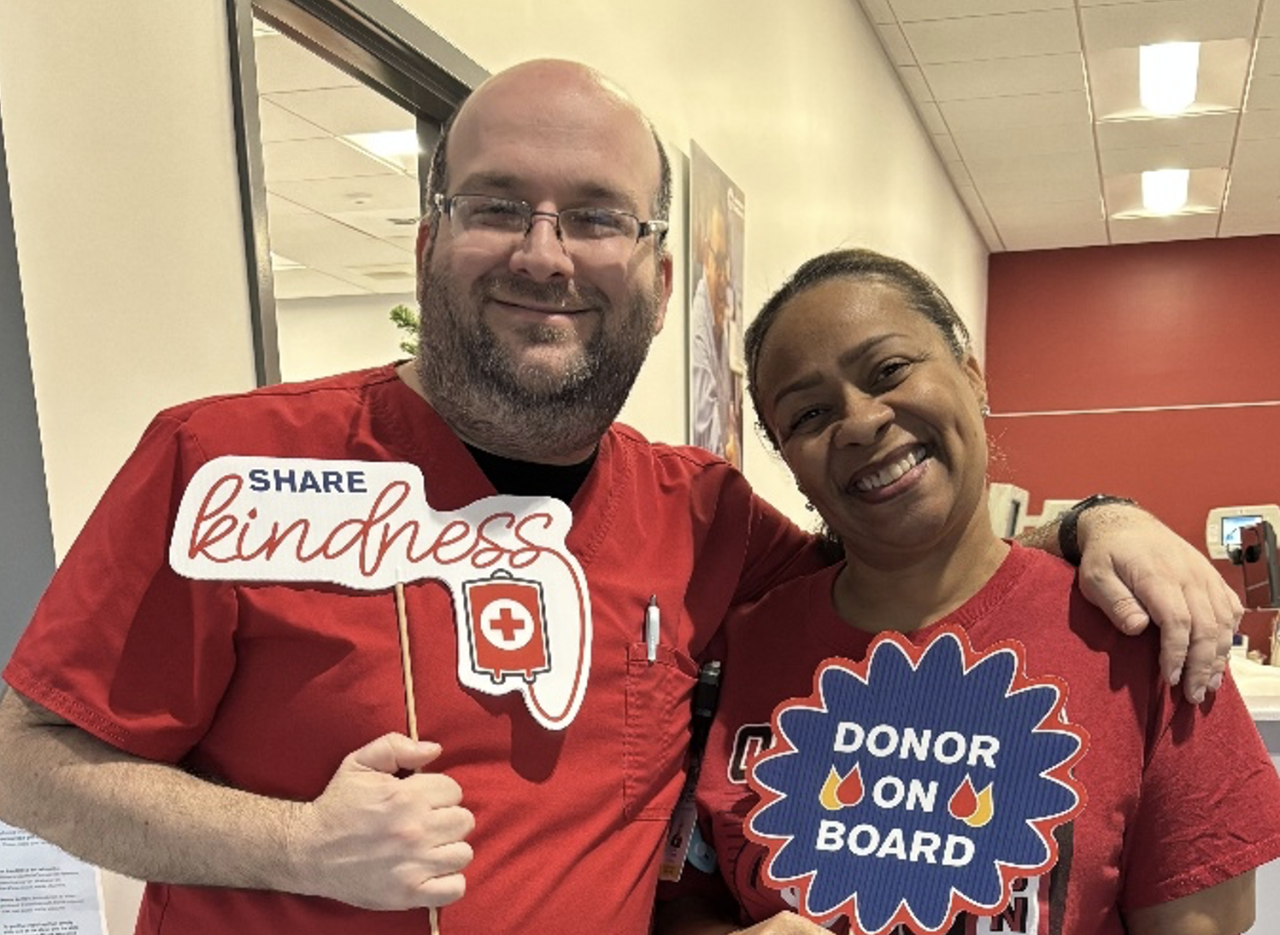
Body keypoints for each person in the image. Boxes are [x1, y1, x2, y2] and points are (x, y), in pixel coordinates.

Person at [0, 60, 1243, 935]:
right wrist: (293, 845)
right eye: (497, 205)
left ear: (656, 277)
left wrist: (1096, 518)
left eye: (595, 217)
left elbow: (901, 536)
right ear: (428, 240)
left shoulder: (701, 519)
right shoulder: (229, 468)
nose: (544, 254)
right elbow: (26, 759)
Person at [655, 249, 1280, 935]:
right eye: (808, 414)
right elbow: (685, 899)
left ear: (972, 373)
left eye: (889, 370)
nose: (861, 422)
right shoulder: (737, 650)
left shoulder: (1146, 639)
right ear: (787, 462)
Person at [690, 197, 735, 463]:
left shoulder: (719, 322)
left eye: (725, 263)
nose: (725, 276)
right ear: (705, 256)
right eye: (719, 260)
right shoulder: (699, 324)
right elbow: (707, 440)